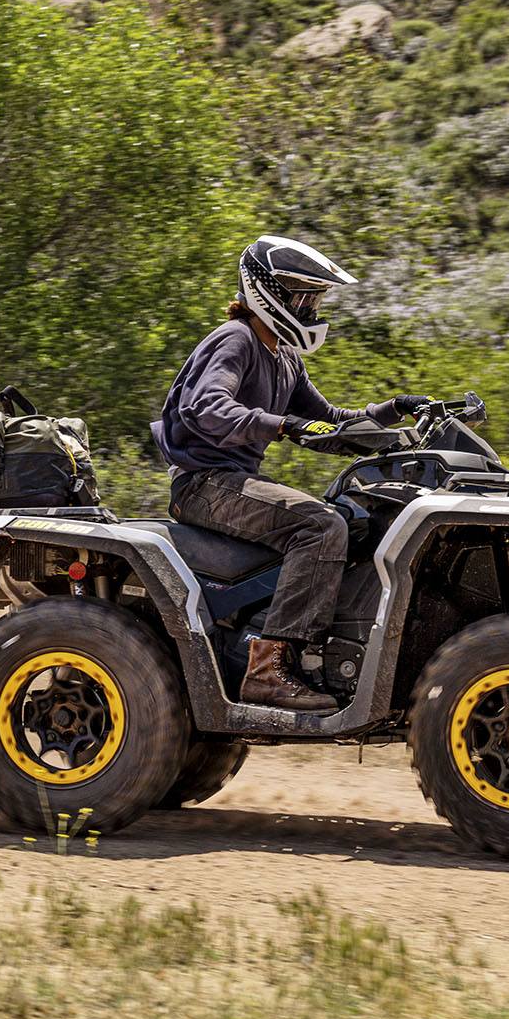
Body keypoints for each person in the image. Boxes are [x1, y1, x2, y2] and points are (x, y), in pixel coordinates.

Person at [151, 235, 429, 713]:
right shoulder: (235, 339)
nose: (310, 306)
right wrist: (280, 424)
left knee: (354, 516)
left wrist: (397, 410)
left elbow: (331, 424)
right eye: (301, 295)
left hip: (228, 482)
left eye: (314, 298)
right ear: (267, 291)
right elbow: (207, 408)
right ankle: (267, 670)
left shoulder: (284, 356)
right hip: (204, 483)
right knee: (320, 525)